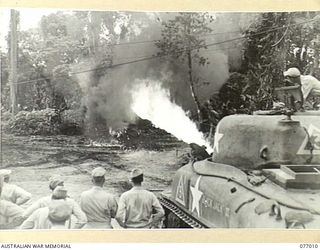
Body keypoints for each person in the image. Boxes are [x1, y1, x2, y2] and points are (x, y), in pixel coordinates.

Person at [23, 175, 87, 229]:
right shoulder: (71, 202)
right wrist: (72, 231)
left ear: (51, 188)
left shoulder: (42, 201)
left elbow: (25, 215)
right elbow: (83, 220)